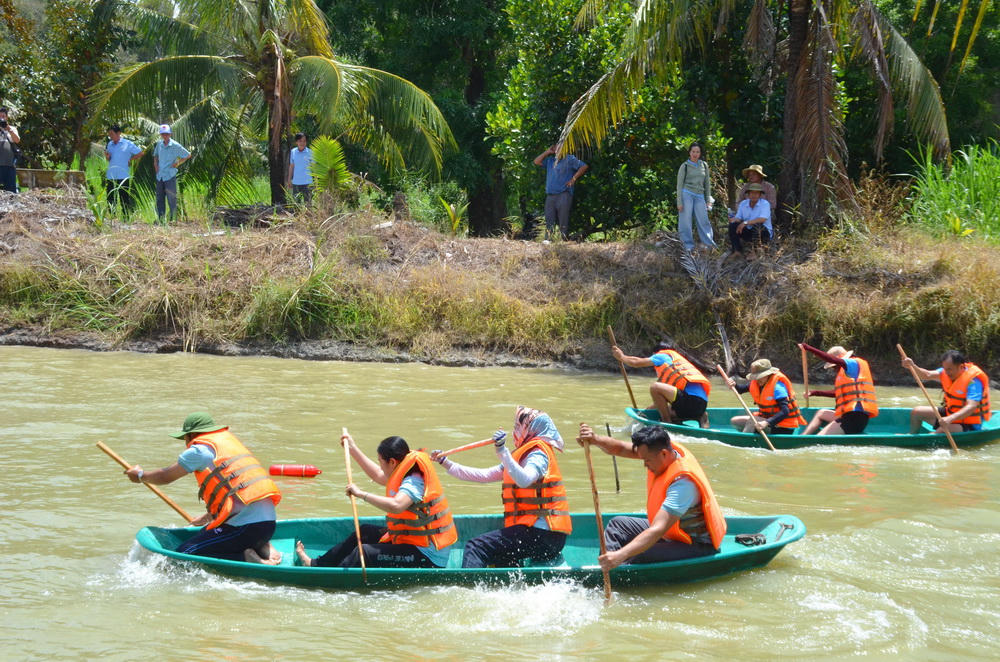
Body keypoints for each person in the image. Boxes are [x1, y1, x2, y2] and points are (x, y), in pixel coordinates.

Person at [124, 412, 282, 564]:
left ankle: (246, 557)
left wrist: (140, 476)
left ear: (191, 435)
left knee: (183, 554)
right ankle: (262, 546)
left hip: (246, 527)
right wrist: (209, 516)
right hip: (267, 524)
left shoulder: (199, 451)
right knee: (205, 535)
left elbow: (165, 476)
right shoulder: (228, 444)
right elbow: (235, 491)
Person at [430, 406, 571, 568]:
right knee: (500, 557)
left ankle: (469, 584)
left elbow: (525, 480)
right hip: (541, 536)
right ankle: (513, 583)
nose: (514, 431)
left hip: (543, 535)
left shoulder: (538, 454)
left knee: (475, 547)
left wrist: (503, 451)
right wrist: (446, 462)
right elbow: (483, 475)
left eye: (518, 427)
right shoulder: (520, 456)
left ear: (531, 429)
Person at [296, 433, 457, 568]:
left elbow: (396, 506)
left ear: (392, 462)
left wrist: (361, 494)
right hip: (412, 542)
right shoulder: (401, 468)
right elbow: (378, 475)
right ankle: (317, 564)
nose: (379, 465)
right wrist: (352, 448)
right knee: (365, 532)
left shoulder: (414, 481)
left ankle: (331, 579)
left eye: (380, 461)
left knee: (365, 552)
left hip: (427, 557)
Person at [577, 423, 725, 567]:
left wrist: (621, 554)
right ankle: (608, 568)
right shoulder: (663, 451)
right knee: (618, 525)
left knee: (640, 554)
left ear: (664, 454)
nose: (645, 465)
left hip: (696, 544)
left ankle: (618, 569)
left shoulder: (683, 484)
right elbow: (620, 448)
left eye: (647, 460)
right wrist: (595, 440)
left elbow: (657, 529)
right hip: (672, 532)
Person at [612, 342, 711, 427]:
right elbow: (659, 403)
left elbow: (636, 362)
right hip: (701, 406)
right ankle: (700, 416)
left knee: (655, 387)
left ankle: (666, 423)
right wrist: (645, 412)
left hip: (690, 401)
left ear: (655, 353)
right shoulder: (676, 363)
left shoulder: (662, 355)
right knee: (661, 410)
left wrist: (622, 357)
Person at [902, 350, 992, 433]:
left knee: (942, 430)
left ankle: (928, 439)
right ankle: (912, 435)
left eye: (949, 369)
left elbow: (971, 406)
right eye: (945, 369)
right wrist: (912, 366)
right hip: (950, 414)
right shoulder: (944, 372)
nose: (947, 372)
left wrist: (950, 418)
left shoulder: (973, 382)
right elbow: (926, 375)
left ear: (961, 367)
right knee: (916, 412)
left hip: (969, 423)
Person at [800, 344, 879, 435]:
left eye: (834, 366)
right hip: (848, 416)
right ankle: (803, 437)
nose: (834, 369)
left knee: (820, 438)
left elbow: (833, 360)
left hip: (854, 419)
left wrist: (808, 348)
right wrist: (814, 393)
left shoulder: (853, 363)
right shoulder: (849, 371)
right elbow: (839, 393)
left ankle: (810, 440)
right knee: (821, 413)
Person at [726, 359, 805, 434]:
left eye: (760, 376)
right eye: (755, 377)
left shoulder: (778, 387)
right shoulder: (756, 383)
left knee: (752, 421)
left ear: (768, 374)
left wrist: (767, 422)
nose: (757, 379)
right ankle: (752, 437)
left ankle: (745, 440)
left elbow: (785, 411)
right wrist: (734, 385)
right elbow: (740, 390)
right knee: (735, 421)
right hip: (768, 421)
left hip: (783, 426)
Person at [532, 142, 588, 241]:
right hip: (550, 195)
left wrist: (573, 179)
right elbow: (536, 161)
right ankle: (548, 240)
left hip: (564, 193)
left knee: (563, 219)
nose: (558, 150)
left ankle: (563, 240)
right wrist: (547, 152)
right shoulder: (550, 160)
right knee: (549, 219)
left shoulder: (569, 159)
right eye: (556, 148)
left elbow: (584, 166)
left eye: (561, 148)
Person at [676, 141, 717, 252]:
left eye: (697, 152)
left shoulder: (704, 165)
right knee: (686, 221)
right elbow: (679, 185)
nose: (695, 154)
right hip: (687, 194)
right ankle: (687, 246)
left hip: (699, 195)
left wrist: (708, 199)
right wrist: (679, 202)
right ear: (689, 152)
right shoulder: (684, 166)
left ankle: (709, 245)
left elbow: (707, 183)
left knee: (704, 220)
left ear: (700, 153)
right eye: (693, 151)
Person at [152, 124, 192, 224]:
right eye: (163, 134)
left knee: (171, 199)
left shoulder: (175, 145)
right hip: (160, 175)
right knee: (159, 199)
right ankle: (161, 219)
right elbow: (155, 155)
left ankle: (173, 220)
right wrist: (155, 164)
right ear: (161, 135)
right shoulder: (159, 144)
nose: (165, 136)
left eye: (166, 134)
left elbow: (187, 155)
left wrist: (177, 163)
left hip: (169, 175)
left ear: (170, 134)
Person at [104, 124, 144, 216]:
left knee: (124, 198)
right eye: (109, 134)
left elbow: (140, 153)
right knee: (110, 198)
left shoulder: (128, 144)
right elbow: (109, 159)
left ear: (118, 133)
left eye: (112, 134)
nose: (110, 136)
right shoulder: (110, 144)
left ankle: (126, 217)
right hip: (111, 175)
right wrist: (107, 157)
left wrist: (130, 159)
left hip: (123, 176)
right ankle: (112, 217)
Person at [726, 182, 772, 260]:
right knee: (733, 225)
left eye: (756, 193)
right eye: (752, 193)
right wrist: (733, 219)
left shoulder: (765, 204)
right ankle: (737, 251)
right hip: (749, 231)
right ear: (748, 194)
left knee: (757, 225)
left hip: (763, 233)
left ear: (760, 195)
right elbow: (738, 218)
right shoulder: (743, 204)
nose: (754, 195)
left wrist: (745, 223)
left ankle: (756, 251)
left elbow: (763, 219)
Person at [286, 132, 313, 203]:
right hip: (296, 182)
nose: (302, 143)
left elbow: (314, 168)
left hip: (308, 183)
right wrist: (289, 180)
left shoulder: (310, 152)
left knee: (308, 204)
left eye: (304, 141)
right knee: (296, 205)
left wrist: (316, 182)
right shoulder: (293, 152)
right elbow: (291, 166)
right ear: (296, 142)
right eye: (300, 141)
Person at [0, 106, 21, 194]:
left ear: (7, 117)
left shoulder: (12, 129)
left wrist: (8, 129)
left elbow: (17, 140)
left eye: (3, 116)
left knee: (10, 193)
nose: (1, 119)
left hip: (9, 166)